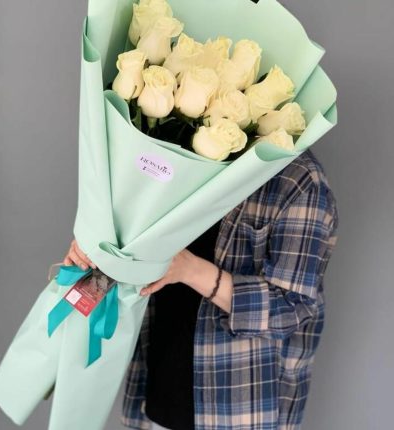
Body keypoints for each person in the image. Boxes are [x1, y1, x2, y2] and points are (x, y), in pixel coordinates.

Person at [63, 148, 339, 429]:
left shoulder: (298, 179)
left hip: (240, 407)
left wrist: (190, 270)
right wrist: (96, 254)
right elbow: (134, 241)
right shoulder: (174, 145)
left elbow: (291, 308)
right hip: (158, 386)